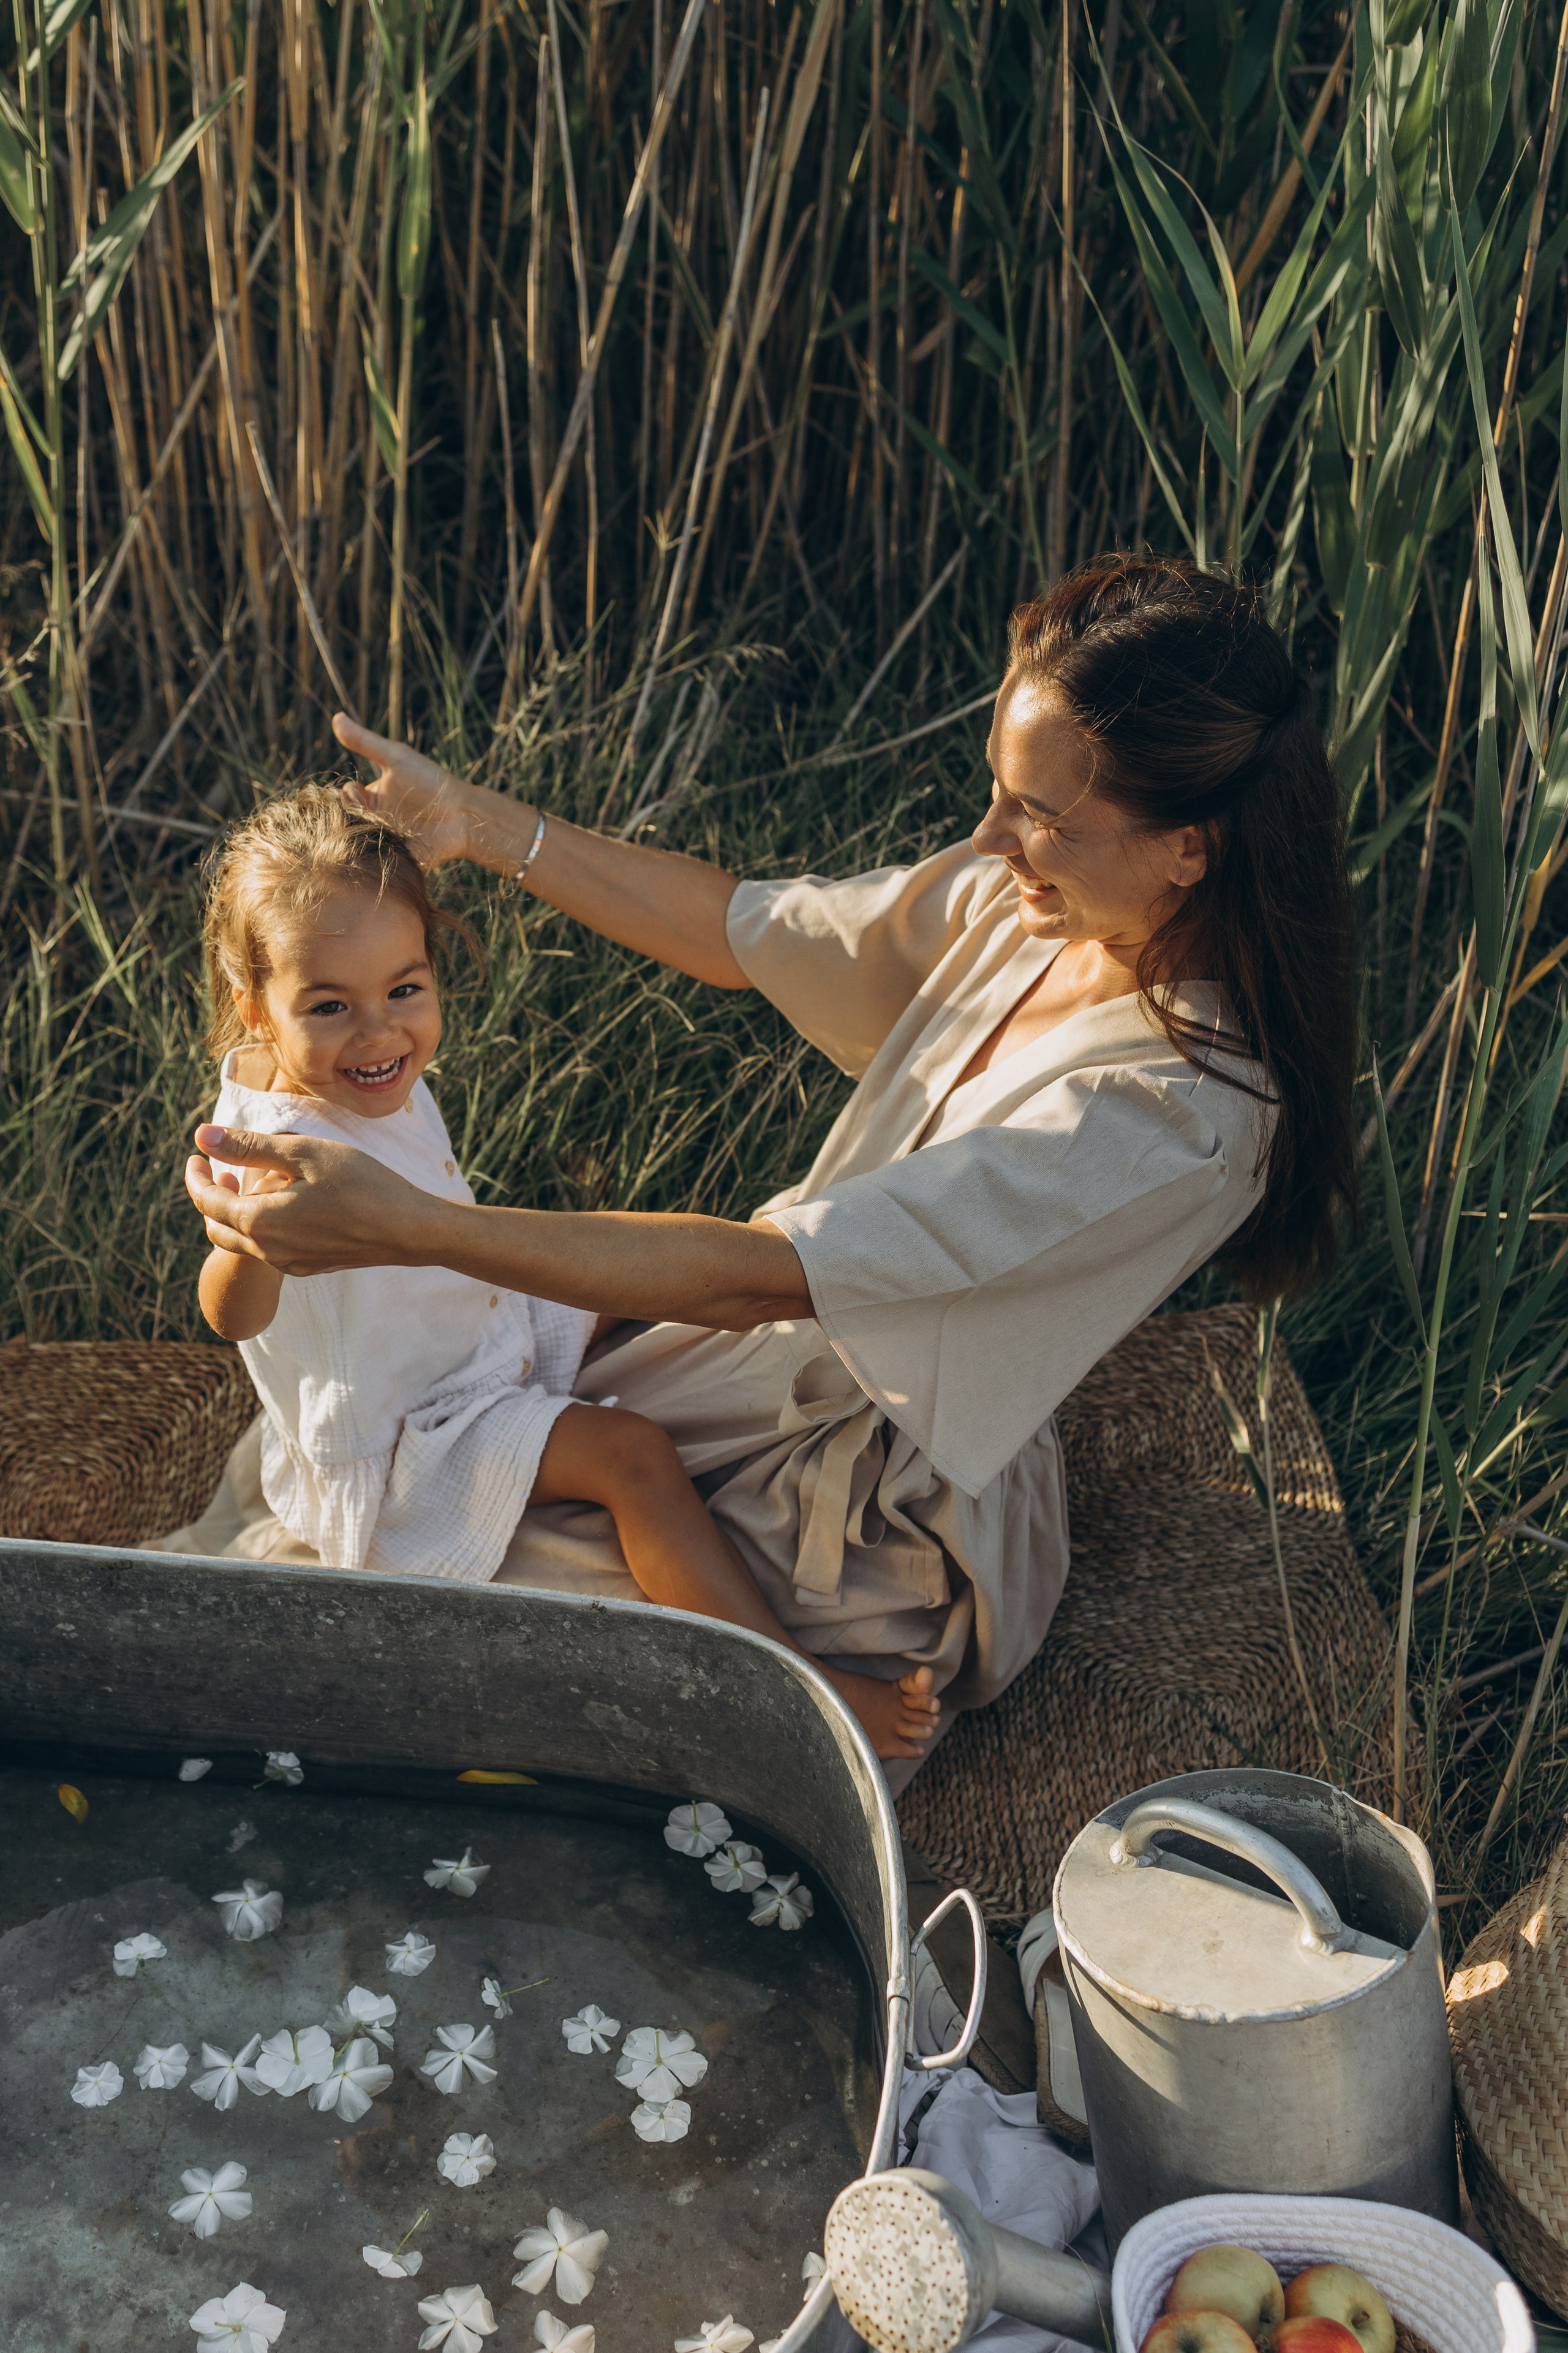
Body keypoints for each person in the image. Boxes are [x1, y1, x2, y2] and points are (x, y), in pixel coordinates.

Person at [184, 556, 1357, 1786]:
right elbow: (740, 928)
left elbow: (763, 1279)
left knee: (470, 1636)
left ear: (1187, 849)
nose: (986, 840)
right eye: (997, 793)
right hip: (736, 1336)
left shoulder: (1176, 1119)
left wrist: (408, 1226)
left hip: (870, 1491)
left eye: (1039, 817)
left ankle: (796, 1687)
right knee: (411, 1476)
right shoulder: (1034, 904)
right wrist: (483, 826)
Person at [190, 783, 940, 1757]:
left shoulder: (361, 1076)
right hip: (416, 1434)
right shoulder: (268, 1145)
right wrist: (251, 1246)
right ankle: (801, 1693)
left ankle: (768, 1365)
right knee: (635, 1462)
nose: (379, 1035)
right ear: (254, 1005)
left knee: (629, 1278)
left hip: (465, 1326)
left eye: (405, 991)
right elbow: (228, 1316)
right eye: (330, 1006)